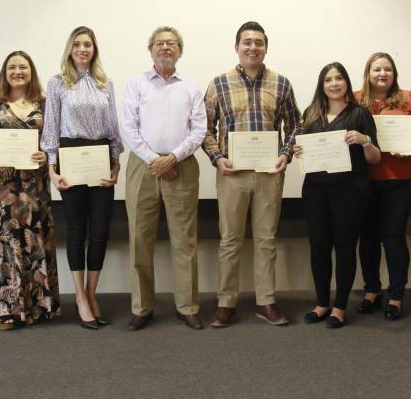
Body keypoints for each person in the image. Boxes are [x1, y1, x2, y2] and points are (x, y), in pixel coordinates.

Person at [202, 21, 301, 328]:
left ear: (266, 47)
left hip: (269, 174)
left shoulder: (281, 83)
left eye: (258, 42)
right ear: (237, 47)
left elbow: (296, 125)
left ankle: (266, 302)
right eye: (247, 42)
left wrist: (285, 154)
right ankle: (226, 303)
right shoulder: (219, 84)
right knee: (230, 240)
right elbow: (204, 128)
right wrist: (217, 158)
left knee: (266, 240)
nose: (252, 47)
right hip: (232, 174)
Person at [120, 26, 207, 331]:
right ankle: (142, 307)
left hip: (181, 167)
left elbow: (199, 130)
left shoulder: (191, 88)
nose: (165, 48)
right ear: (151, 50)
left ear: (179, 51)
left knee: (184, 241)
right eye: (160, 43)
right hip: (142, 167)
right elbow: (128, 127)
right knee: (139, 239)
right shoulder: (137, 84)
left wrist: (173, 157)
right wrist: (154, 159)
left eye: (171, 44)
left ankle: (188, 306)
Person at [0, 51, 61, 330]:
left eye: (23, 67)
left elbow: (53, 141)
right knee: (2, 244)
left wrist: (47, 157)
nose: (17, 71)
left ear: (31, 71)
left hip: (34, 187)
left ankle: (35, 306)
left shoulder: (44, 103)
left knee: (33, 241)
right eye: (12, 67)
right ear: (4, 72)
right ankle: (6, 310)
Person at [40, 26, 123, 330]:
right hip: (71, 156)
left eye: (87, 44)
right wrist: (52, 168)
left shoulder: (105, 83)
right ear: (70, 49)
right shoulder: (58, 83)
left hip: (100, 157)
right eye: (77, 44)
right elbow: (50, 128)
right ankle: (79, 296)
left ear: (94, 49)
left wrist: (116, 161)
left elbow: (113, 124)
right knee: (76, 229)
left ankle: (92, 292)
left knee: (99, 230)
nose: (83, 49)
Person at [294, 62, 380, 329]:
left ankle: (340, 306)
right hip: (315, 191)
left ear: (346, 82)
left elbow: (375, 158)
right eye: (328, 79)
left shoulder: (360, 114)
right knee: (319, 247)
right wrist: (300, 152)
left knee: (344, 248)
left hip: (350, 192)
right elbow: (304, 151)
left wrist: (365, 140)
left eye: (339, 78)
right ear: (322, 85)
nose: (334, 83)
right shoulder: (311, 113)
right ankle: (322, 303)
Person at [356, 52, 411, 320]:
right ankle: (371, 290)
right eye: (377, 70)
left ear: (394, 74)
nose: (382, 74)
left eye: (387, 69)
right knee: (369, 238)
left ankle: (396, 295)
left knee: (393, 238)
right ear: (368, 73)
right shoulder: (355, 98)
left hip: (401, 180)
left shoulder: (409, 97)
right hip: (366, 181)